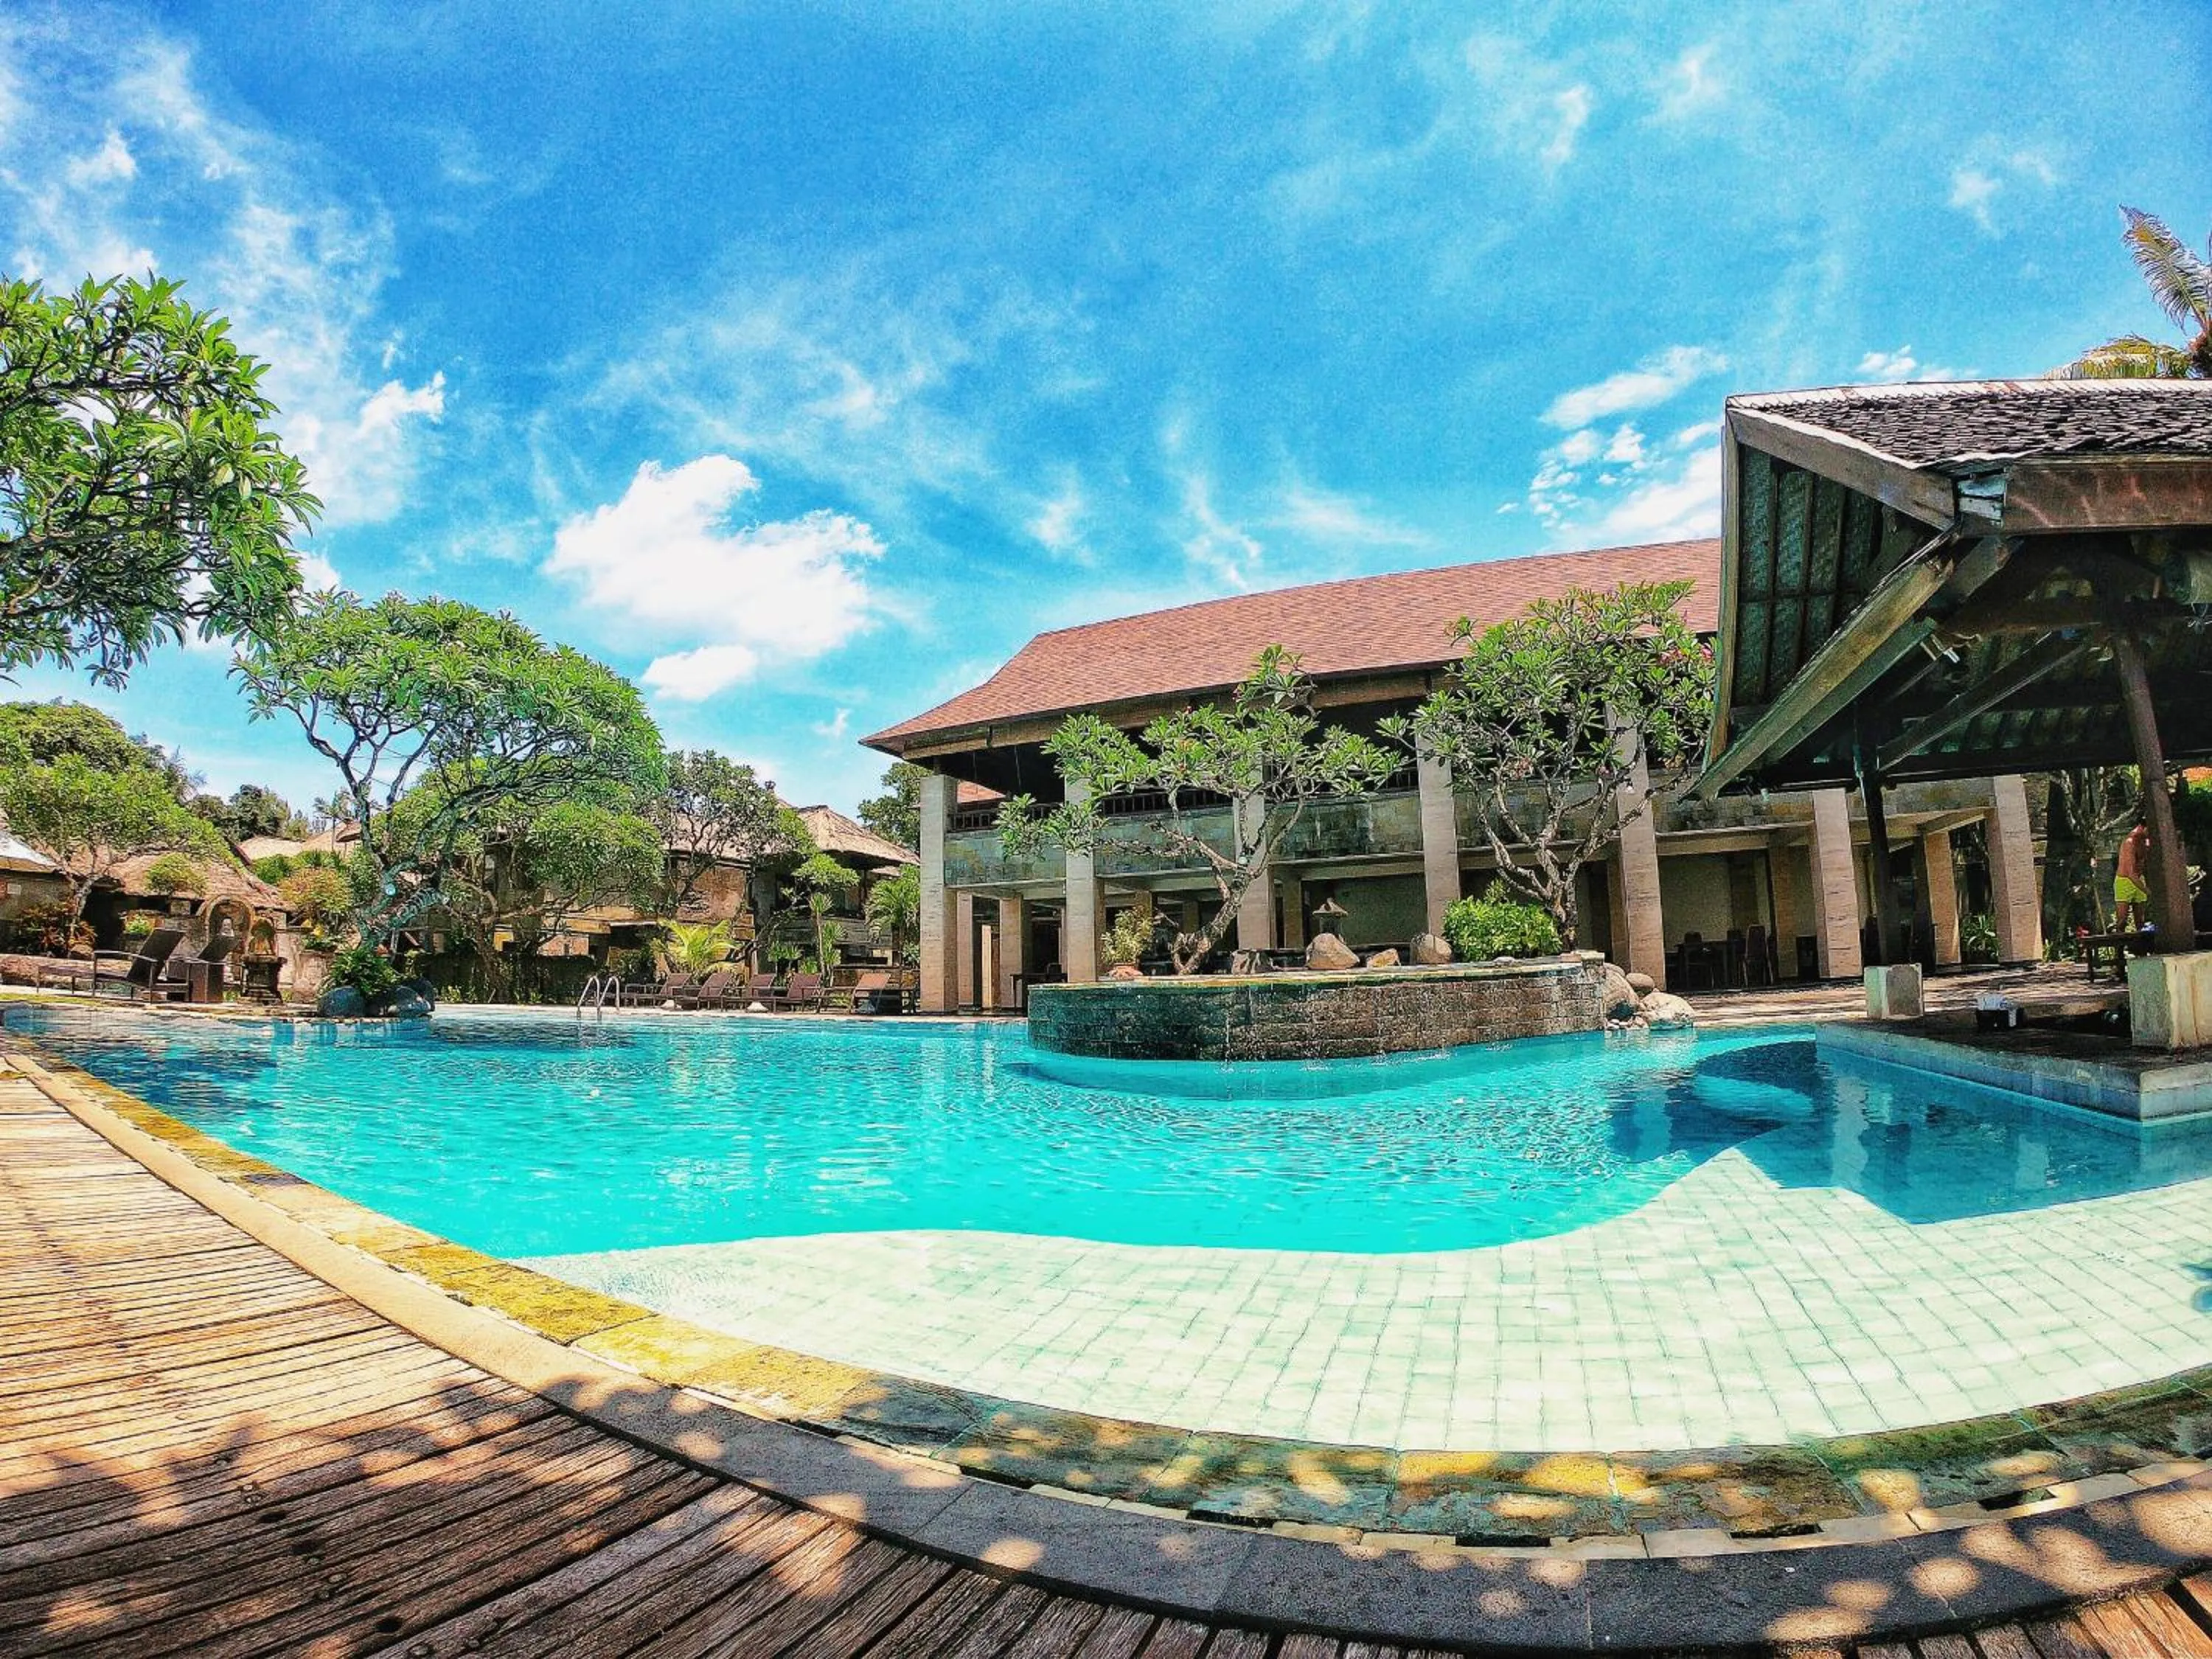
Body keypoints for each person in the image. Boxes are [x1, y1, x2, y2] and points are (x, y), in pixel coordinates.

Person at [2116, 817, 2152, 931]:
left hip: (2139, 879)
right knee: (2122, 921)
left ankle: (2140, 948)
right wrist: (2148, 891)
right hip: (2125, 880)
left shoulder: (2145, 840)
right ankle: (2119, 948)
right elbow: (2131, 874)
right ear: (2142, 827)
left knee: (2140, 921)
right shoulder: (2129, 843)